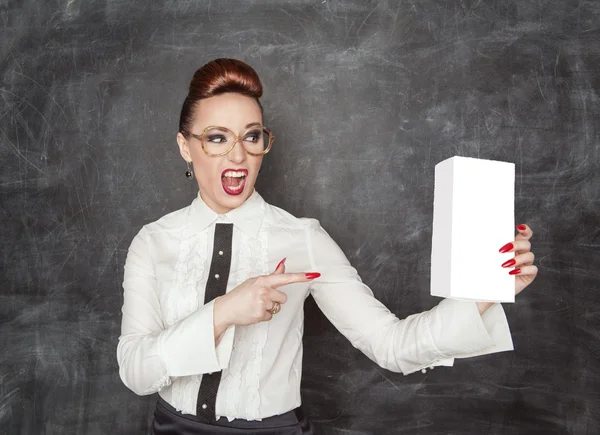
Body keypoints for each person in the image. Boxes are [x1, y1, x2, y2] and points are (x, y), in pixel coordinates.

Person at [116, 58, 538, 435]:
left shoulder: (304, 238)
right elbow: (135, 372)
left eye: (252, 136)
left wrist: (483, 295)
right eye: (217, 138)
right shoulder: (153, 243)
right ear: (185, 146)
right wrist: (225, 311)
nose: (239, 155)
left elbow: (391, 344)